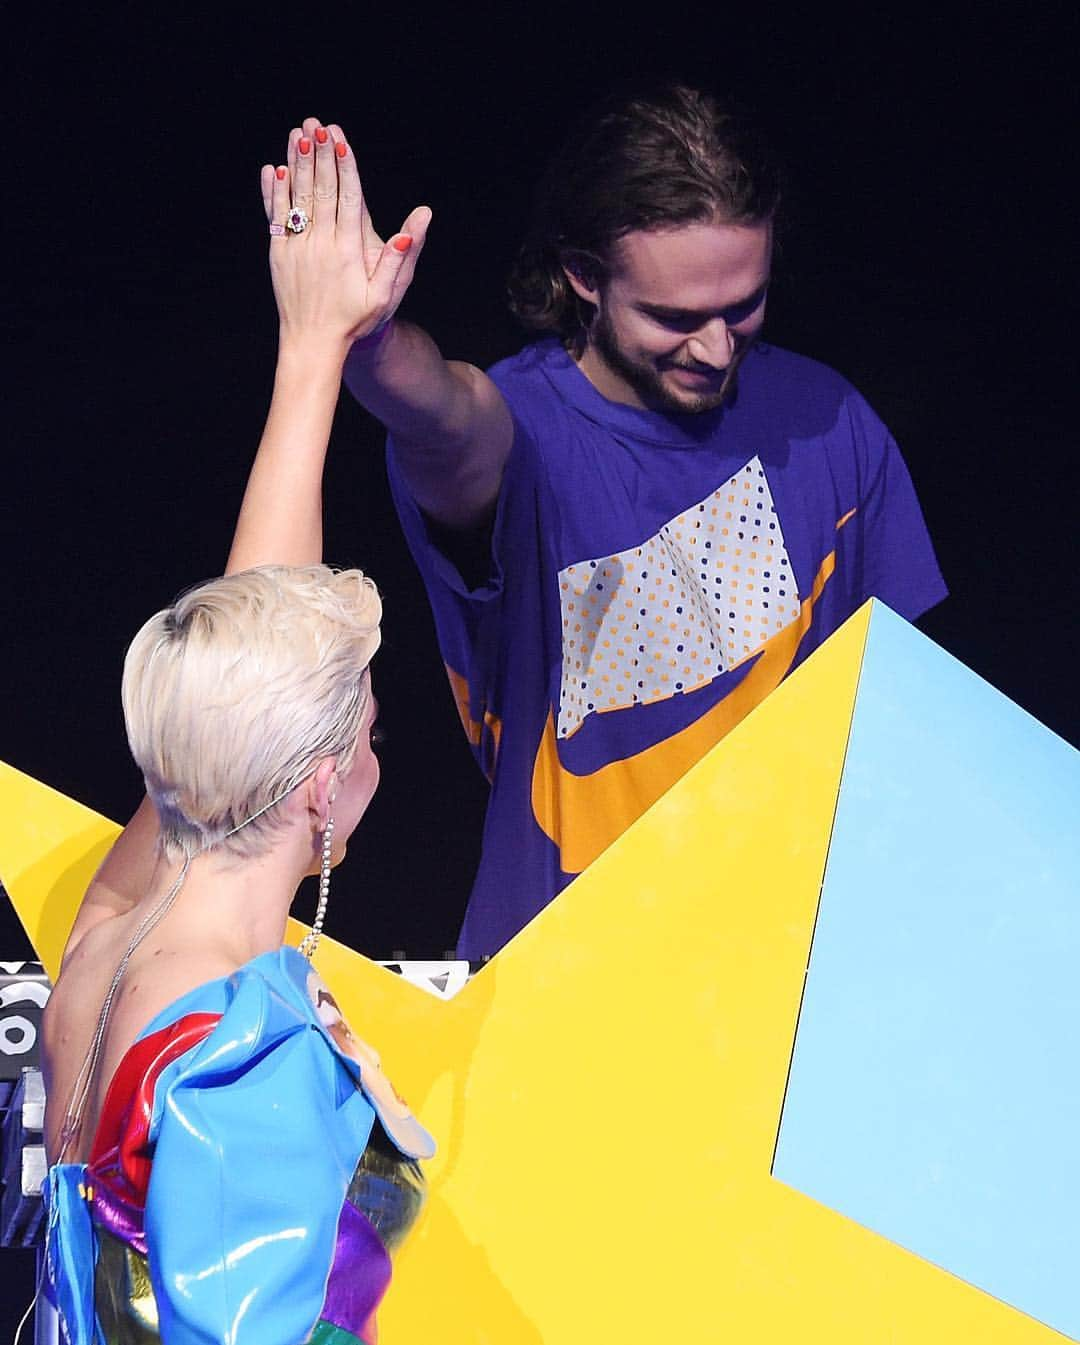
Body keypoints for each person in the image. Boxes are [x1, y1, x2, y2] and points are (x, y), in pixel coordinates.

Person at [335, 84, 947, 960]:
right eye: (674, 317)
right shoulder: (525, 437)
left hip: (790, 977)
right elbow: (441, 415)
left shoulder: (829, 421)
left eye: (744, 305)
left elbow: (906, 727)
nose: (716, 347)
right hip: (567, 982)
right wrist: (366, 341)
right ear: (583, 276)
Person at [39, 124, 433, 1345]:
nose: (382, 748)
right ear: (321, 787)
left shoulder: (105, 950)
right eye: (368, 728)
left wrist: (313, 350)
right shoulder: (239, 1050)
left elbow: (247, 658)